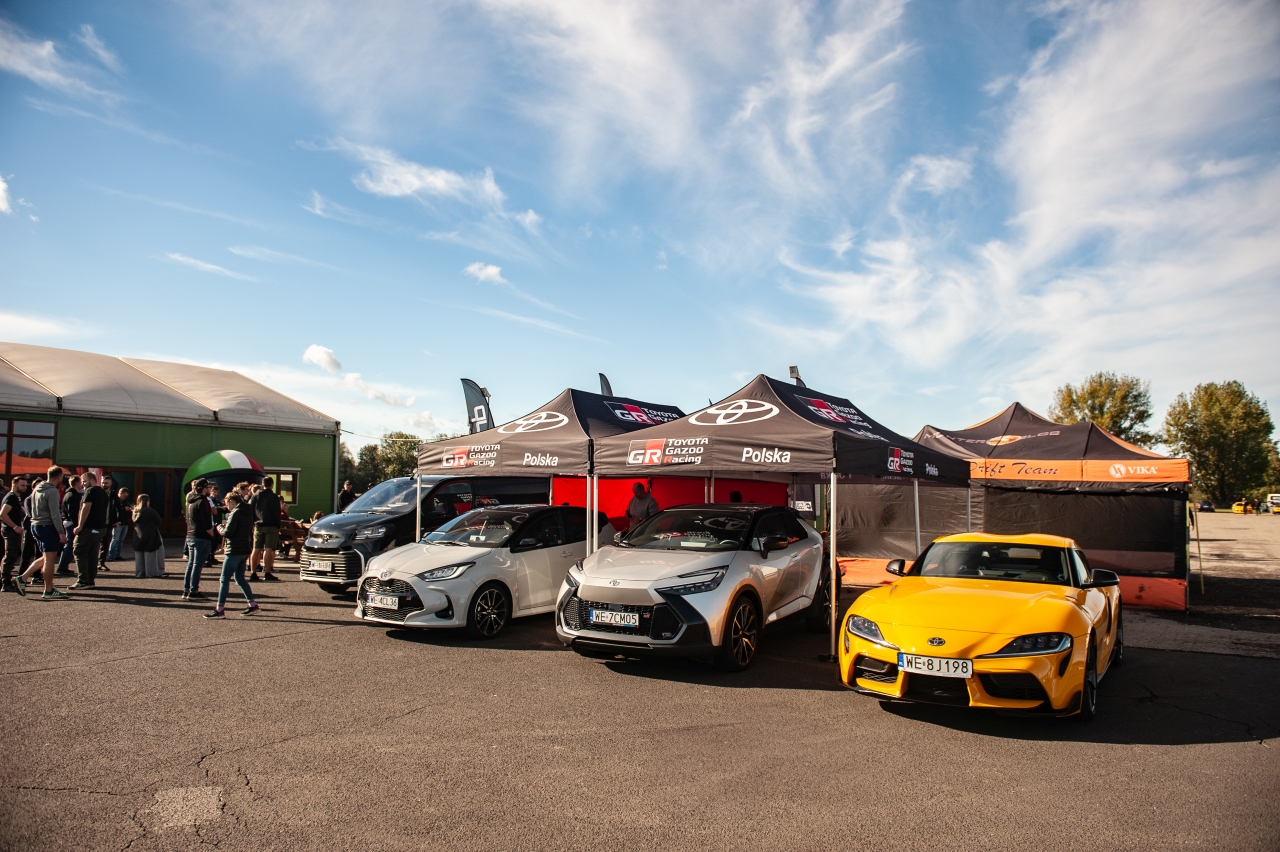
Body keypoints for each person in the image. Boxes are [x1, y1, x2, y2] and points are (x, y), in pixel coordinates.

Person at [16, 466, 68, 599]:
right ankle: (48, 590)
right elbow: (55, 514)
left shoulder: (37, 488)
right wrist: (61, 532)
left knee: (45, 557)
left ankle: (23, 578)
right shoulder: (52, 491)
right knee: (50, 559)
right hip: (47, 526)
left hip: (36, 525)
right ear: (59, 477)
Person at [204, 493, 260, 619]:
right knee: (240, 578)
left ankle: (220, 609)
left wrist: (219, 528)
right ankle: (252, 604)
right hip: (244, 548)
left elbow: (228, 533)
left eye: (227, 503)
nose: (226, 506)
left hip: (234, 549)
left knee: (224, 579)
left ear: (232, 502)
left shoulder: (235, 513)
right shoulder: (248, 511)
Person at [71, 471, 109, 590]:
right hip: (100, 528)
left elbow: (86, 508)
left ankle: (83, 580)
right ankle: (90, 580)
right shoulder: (103, 493)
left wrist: (80, 526)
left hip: (89, 528)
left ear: (92, 480)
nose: (83, 484)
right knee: (92, 554)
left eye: (84, 481)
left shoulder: (90, 491)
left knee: (79, 551)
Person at [183, 478, 214, 600]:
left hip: (191, 535)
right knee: (197, 564)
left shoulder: (190, 501)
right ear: (204, 489)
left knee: (191, 564)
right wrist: (211, 533)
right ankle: (193, 591)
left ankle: (187, 589)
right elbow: (206, 521)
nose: (210, 489)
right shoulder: (203, 501)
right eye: (208, 487)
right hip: (201, 536)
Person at [249, 477, 281, 582]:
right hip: (271, 525)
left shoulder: (255, 496)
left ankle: (253, 572)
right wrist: (278, 525)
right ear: (272, 484)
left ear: (262, 484)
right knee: (268, 549)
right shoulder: (273, 497)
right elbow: (277, 512)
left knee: (256, 549)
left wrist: (253, 523)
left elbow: (251, 509)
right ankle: (267, 572)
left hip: (258, 525)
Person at [0, 476, 29, 593]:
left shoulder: (14, 497)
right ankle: (5, 582)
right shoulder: (11, 497)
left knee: (11, 555)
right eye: (22, 485)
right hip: (10, 531)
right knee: (10, 556)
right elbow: (2, 514)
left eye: (25, 485)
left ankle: (5, 580)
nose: (25, 487)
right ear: (15, 485)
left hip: (11, 530)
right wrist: (14, 526)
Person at [132, 494, 166, 578]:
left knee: (139, 555)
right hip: (150, 535)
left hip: (138, 536)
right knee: (150, 555)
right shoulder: (150, 511)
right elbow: (159, 521)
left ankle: (140, 573)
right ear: (147, 501)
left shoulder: (135, 511)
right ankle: (151, 573)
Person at [57, 476, 83, 576]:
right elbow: (73, 513)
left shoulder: (69, 494)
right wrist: (78, 525)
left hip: (69, 522)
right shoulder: (72, 496)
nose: (82, 484)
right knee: (70, 545)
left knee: (70, 545)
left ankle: (63, 566)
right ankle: (62, 566)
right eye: (80, 482)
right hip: (71, 523)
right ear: (77, 483)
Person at [104, 487, 132, 563]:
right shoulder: (115, 500)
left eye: (126, 496)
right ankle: (111, 555)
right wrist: (124, 509)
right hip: (117, 523)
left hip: (125, 523)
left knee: (121, 540)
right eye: (124, 495)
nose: (125, 497)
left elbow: (130, 508)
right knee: (115, 539)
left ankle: (117, 554)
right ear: (120, 493)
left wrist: (129, 509)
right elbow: (114, 510)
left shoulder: (126, 501)